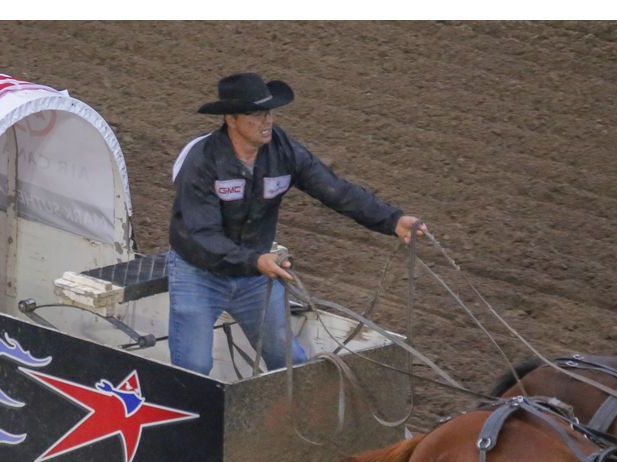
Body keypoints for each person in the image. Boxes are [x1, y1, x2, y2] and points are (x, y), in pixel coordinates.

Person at [167, 72, 425, 376]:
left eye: (269, 111)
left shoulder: (283, 150)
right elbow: (202, 234)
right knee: (193, 369)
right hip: (200, 274)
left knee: (290, 362)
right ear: (231, 119)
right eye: (255, 114)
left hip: (254, 275)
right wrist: (254, 259)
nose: (267, 121)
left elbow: (333, 189)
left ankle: (290, 421)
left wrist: (392, 220)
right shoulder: (202, 161)